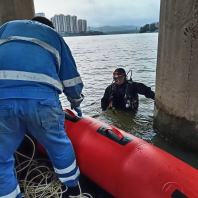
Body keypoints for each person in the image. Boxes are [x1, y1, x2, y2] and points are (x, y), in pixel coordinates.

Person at [0, 16, 83, 197]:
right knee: (59, 144)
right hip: (42, 102)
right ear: (50, 27)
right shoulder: (53, 36)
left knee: (1, 157)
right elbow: (71, 79)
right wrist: (76, 103)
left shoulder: (6, 27)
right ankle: (73, 190)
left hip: (2, 101)